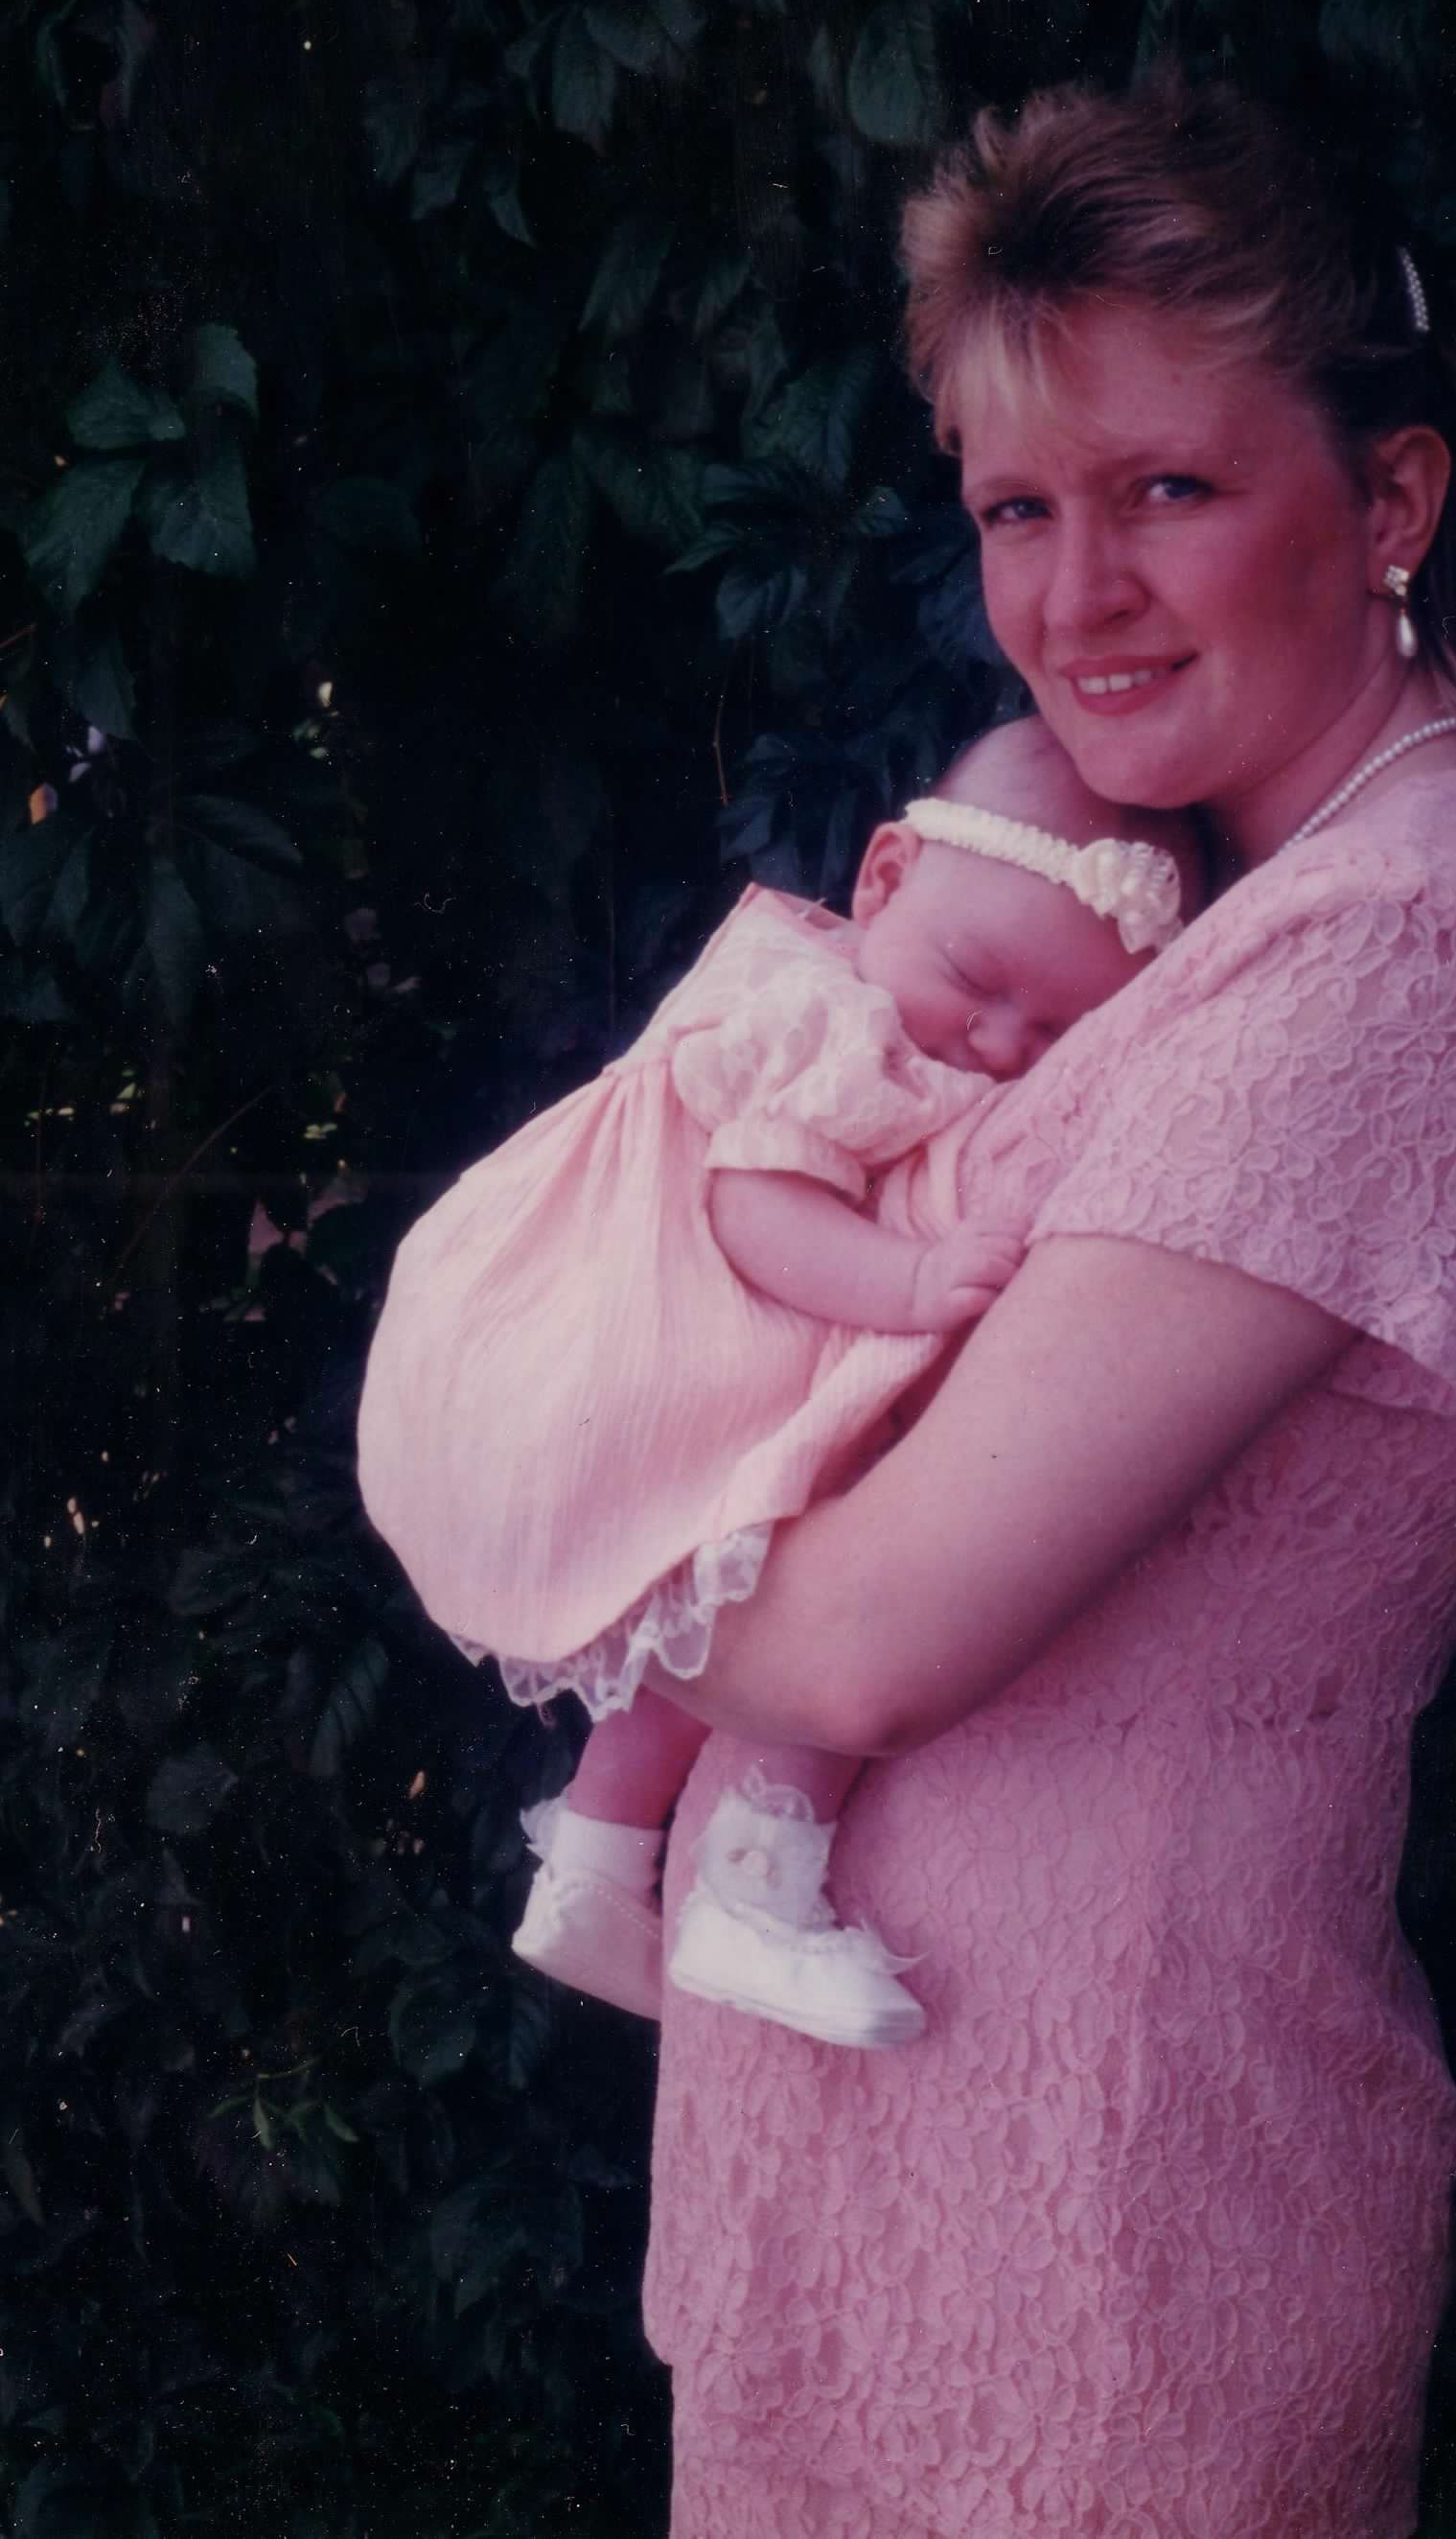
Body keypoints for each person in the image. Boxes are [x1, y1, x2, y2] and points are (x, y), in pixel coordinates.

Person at [611, 71, 1456, 2539]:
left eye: (1168, 491)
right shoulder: (1198, 916)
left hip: (1112, 2243)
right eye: (1015, 509)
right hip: (857, 2187)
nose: (1072, 598)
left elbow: (865, 1637)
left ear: (1387, 501)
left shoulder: (1412, 952)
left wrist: (530, 1477)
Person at [357, 719, 1200, 2050]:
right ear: (881, 879)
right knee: (858, 1543)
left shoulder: (854, 986)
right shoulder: (828, 1017)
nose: (993, 1041)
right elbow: (757, 1210)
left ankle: (589, 1868)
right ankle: (759, 1886)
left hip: (657, 1337)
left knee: (692, 1603)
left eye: (1053, 1032)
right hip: (662, 1326)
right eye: (978, 982)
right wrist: (913, 1287)